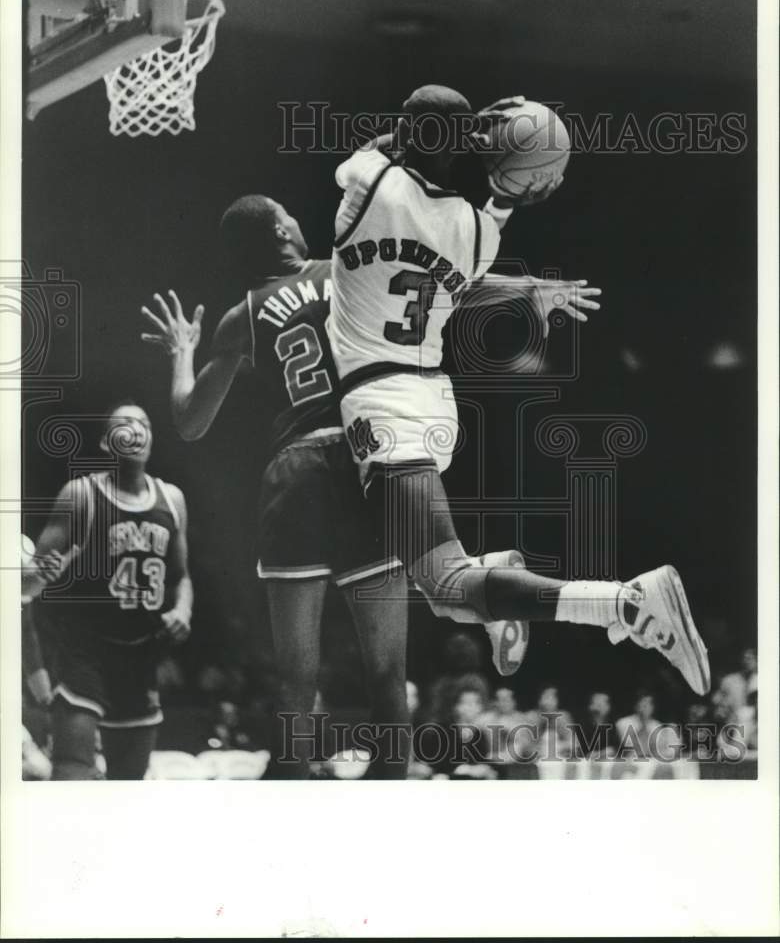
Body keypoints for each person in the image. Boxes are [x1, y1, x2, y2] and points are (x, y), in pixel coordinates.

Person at [327, 83, 710, 695]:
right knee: (448, 592)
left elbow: (384, 144)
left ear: (407, 133)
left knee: (448, 586)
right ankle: (504, 576)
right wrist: (513, 224)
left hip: (382, 400)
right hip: (429, 396)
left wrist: (463, 131)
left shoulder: (367, 183)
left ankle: (629, 600)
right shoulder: (477, 230)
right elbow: (459, 281)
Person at [141, 195, 409, 778]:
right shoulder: (348, 268)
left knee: (295, 675)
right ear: (285, 228)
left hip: (297, 471)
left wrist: (182, 354)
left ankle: (288, 802)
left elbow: (189, 422)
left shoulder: (241, 317)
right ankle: (394, 801)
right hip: (367, 457)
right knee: (388, 669)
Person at [22, 402, 193, 779]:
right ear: (105, 443)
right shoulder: (80, 495)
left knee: (127, 789)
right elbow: (25, 588)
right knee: (71, 774)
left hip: (141, 658)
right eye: (124, 423)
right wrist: (42, 574)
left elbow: (181, 577)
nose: (135, 429)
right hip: (86, 654)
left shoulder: (172, 500)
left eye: (144, 422)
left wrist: (183, 611)